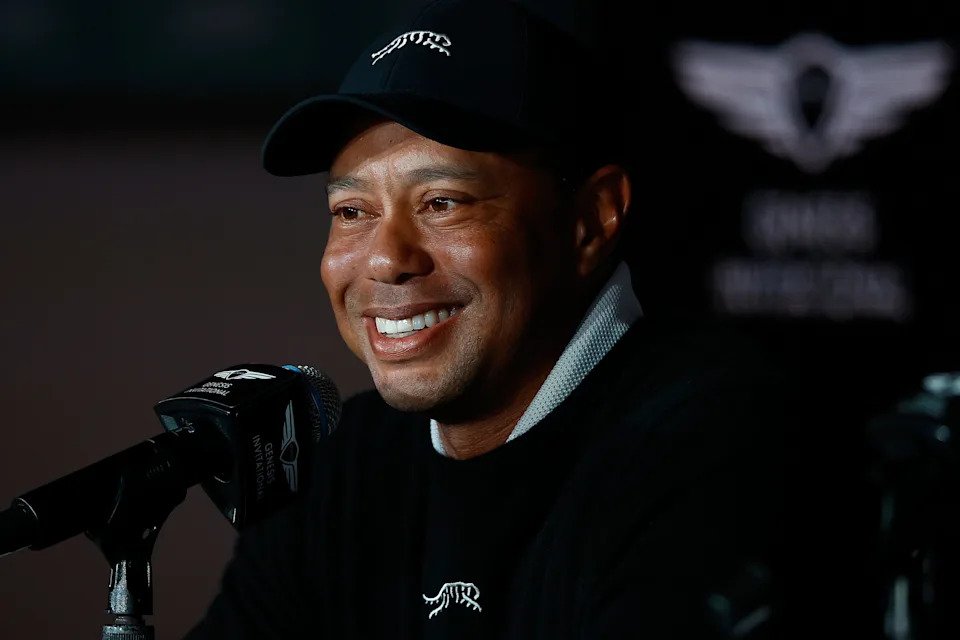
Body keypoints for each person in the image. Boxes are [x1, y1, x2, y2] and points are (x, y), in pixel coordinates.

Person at [184, 0, 789, 637]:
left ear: (592, 219)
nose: (387, 260)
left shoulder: (715, 443)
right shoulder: (344, 467)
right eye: (352, 212)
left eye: (442, 202)